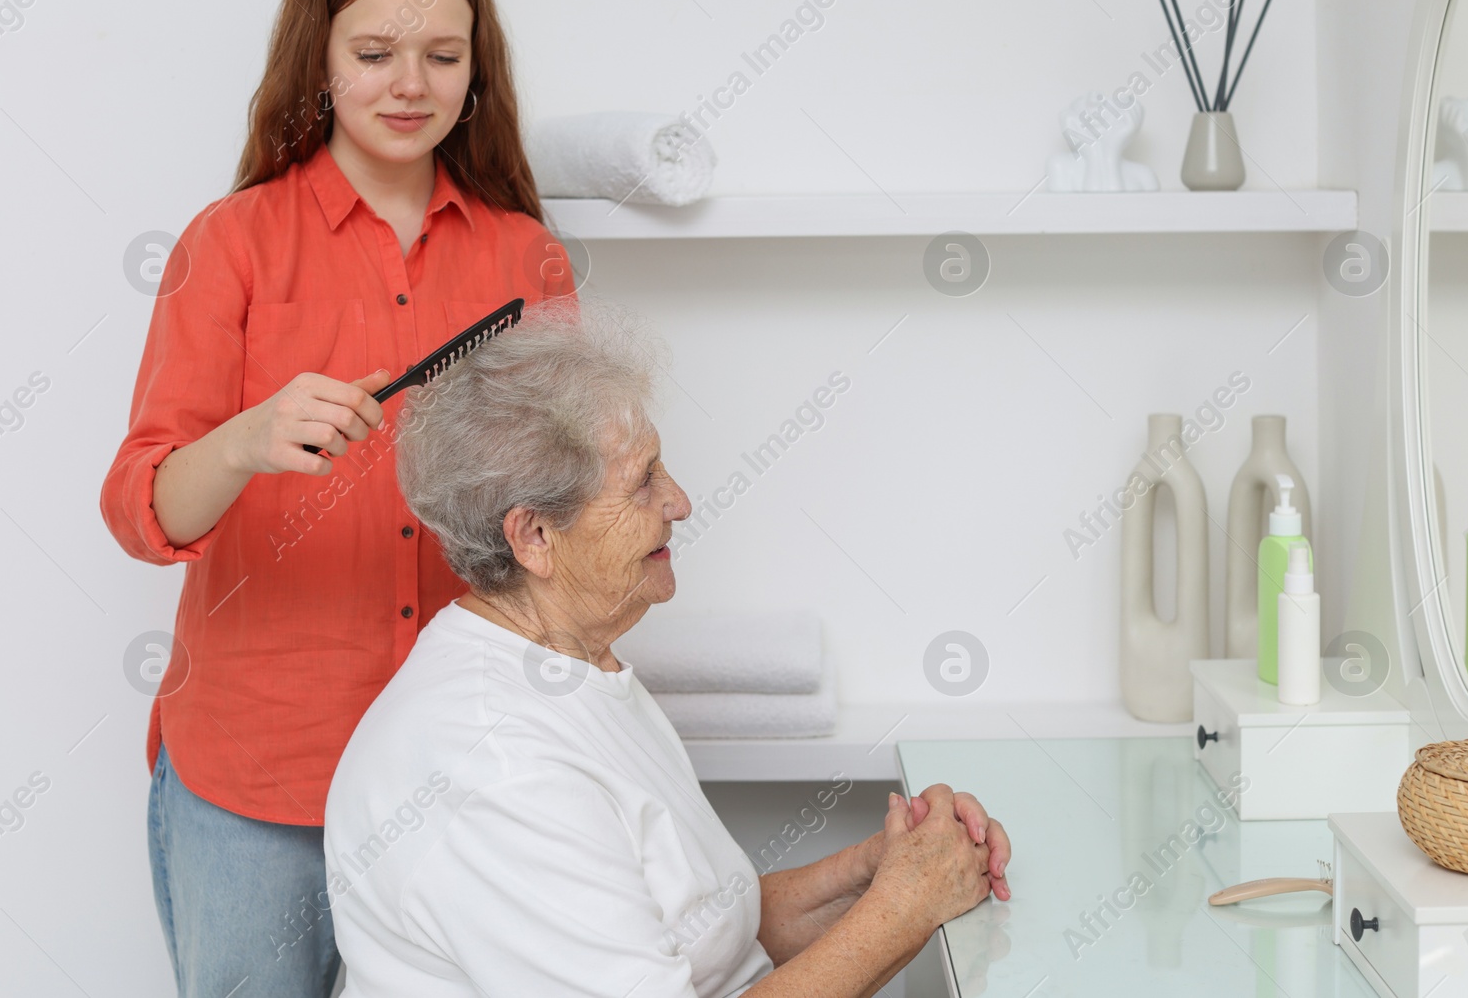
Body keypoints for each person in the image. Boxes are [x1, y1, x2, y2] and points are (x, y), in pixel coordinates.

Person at [97, 0, 572, 994]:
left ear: (475, 70)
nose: (409, 85)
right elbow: (139, 510)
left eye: (442, 57)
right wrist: (243, 440)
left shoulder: (522, 259)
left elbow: (558, 514)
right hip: (257, 770)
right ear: (319, 60)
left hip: (464, 766)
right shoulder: (230, 245)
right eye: (374, 53)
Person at [324, 301, 1012, 997]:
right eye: (643, 480)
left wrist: (884, 869)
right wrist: (906, 906)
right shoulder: (497, 767)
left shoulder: (576, 663)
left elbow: (704, 936)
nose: (679, 501)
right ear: (533, 536)